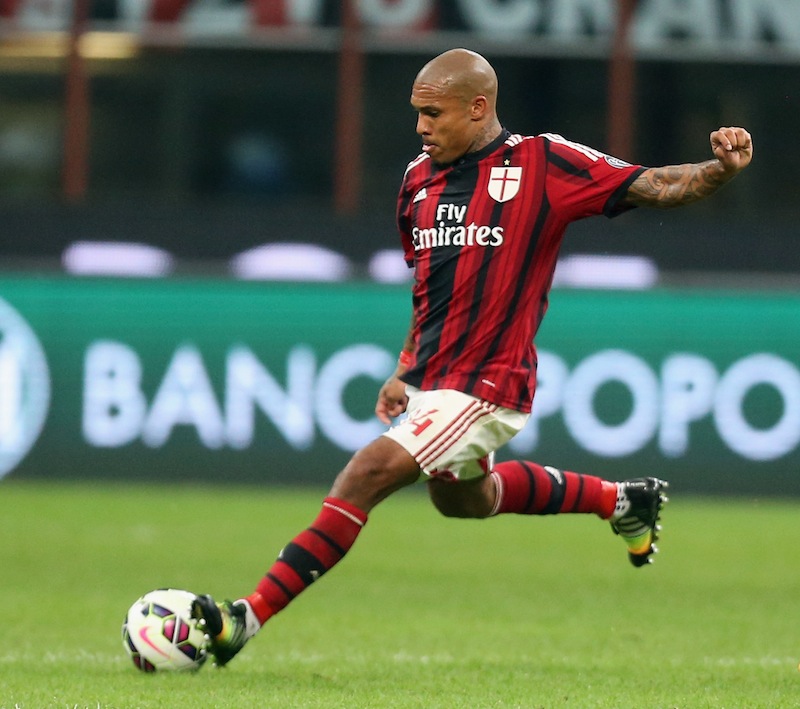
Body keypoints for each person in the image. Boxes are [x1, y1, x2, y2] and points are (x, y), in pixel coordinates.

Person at [191, 48, 753, 665]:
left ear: (478, 107)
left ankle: (246, 617)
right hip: (434, 380)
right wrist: (406, 367)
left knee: (368, 473)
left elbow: (654, 184)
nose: (420, 127)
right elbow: (431, 287)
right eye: (417, 113)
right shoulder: (417, 180)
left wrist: (719, 170)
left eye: (433, 114)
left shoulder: (543, 163)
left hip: (489, 383)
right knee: (464, 500)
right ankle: (623, 500)